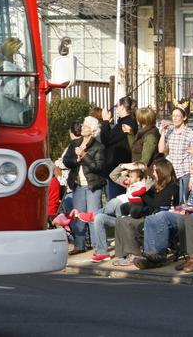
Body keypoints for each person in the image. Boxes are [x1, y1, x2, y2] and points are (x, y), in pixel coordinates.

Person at [134, 154, 193, 269]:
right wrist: (178, 209)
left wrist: (181, 210)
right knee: (151, 218)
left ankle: (159, 255)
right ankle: (150, 254)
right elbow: (189, 205)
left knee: (162, 216)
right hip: (188, 215)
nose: (190, 171)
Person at [112, 157, 180, 267]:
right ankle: (123, 255)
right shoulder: (155, 187)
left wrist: (142, 194)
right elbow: (145, 202)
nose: (153, 174)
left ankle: (134, 254)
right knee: (121, 220)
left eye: (155, 171)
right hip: (147, 216)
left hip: (159, 220)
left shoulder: (173, 187)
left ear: (162, 172)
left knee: (128, 222)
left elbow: (157, 204)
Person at [79, 163, 150, 262]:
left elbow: (149, 179)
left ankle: (93, 215)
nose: (129, 177)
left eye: (132, 174)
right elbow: (113, 176)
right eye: (130, 175)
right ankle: (102, 253)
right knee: (99, 218)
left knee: (116, 201)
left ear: (140, 175)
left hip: (134, 217)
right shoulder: (130, 183)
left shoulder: (146, 183)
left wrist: (139, 168)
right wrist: (123, 166)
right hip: (121, 216)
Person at [62, 115, 106, 255]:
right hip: (78, 184)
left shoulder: (99, 147)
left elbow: (98, 167)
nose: (82, 127)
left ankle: (97, 247)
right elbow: (66, 160)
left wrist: (84, 155)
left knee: (93, 217)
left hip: (93, 185)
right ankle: (79, 245)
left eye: (86, 126)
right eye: (83, 125)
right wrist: (76, 159)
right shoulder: (75, 143)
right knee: (78, 216)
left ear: (92, 130)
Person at [158, 101, 193, 203]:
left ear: (184, 118)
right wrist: (163, 133)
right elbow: (161, 150)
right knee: (170, 201)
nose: (175, 118)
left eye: (178, 116)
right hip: (171, 173)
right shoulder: (170, 132)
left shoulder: (190, 134)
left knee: (182, 202)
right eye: (173, 116)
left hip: (184, 173)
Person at [100, 97, 138, 200]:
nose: (116, 109)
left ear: (122, 107)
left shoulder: (126, 123)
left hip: (119, 171)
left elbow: (106, 139)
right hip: (115, 169)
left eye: (117, 106)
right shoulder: (123, 123)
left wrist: (105, 121)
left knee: (116, 202)